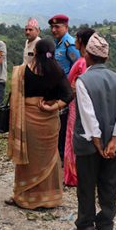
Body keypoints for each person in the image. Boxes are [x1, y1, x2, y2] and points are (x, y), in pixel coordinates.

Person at [70, 34, 116, 230]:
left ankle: (85, 227)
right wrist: (113, 140)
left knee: (86, 184)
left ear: (88, 55)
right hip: (112, 145)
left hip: (89, 144)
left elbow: (87, 114)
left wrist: (97, 142)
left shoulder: (83, 81)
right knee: (109, 183)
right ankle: (106, 225)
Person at [6, 38, 73, 209]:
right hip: (48, 120)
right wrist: (54, 107)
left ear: (34, 52)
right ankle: (48, 198)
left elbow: (12, 96)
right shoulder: (57, 71)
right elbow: (68, 94)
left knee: (28, 158)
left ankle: (24, 195)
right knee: (48, 158)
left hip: (28, 119)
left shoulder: (22, 71)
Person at [63, 27, 95, 187]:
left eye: (76, 39)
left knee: (72, 135)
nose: (74, 42)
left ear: (81, 42)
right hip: (86, 104)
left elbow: (72, 84)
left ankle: (72, 174)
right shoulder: (90, 63)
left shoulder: (81, 63)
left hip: (76, 104)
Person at [48, 14, 80, 161]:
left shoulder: (69, 45)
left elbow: (78, 67)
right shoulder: (58, 43)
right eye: (52, 27)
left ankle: (63, 155)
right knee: (58, 123)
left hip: (67, 92)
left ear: (66, 27)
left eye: (57, 27)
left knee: (65, 124)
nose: (54, 30)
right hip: (58, 89)